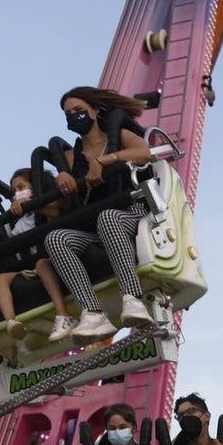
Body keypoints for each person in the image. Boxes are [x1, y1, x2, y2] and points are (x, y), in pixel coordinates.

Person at [44, 86, 153, 346]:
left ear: (94, 110)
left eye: (79, 110)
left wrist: (105, 161)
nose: (73, 116)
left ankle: (132, 298)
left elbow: (144, 153)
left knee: (109, 218)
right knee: (56, 238)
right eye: (68, 113)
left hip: (132, 215)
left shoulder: (119, 135)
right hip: (96, 225)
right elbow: (61, 178)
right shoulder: (74, 155)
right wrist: (61, 173)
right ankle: (92, 312)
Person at [0, 169, 77, 342]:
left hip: (57, 256)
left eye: (21, 187)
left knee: (41, 265)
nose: (17, 193)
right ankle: (11, 322)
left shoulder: (49, 200)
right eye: (14, 191)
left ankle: (63, 313)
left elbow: (56, 211)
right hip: (30, 267)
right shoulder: (23, 219)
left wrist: (31, 203)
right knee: (0, 279)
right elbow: (6, 247)